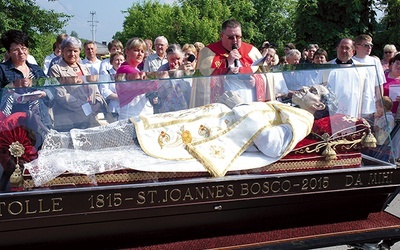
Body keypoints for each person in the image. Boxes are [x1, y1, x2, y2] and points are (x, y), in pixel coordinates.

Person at [26, 84, 338, 185]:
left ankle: (54, 141)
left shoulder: (300, 120)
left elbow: (271, 146)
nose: (305, 89)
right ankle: (55, 137)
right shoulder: (287, 105)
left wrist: (245, 111)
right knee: (132, 126)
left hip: (205, 137)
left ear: (319, 106)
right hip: (205, 120)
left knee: (132, 136)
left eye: (313, 91)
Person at [0, 29, 54, 146]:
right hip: (14, 123)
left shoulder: (36, 70)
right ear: (8, 52)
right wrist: (11, 90)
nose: (21, 52)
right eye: (16, 50)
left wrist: (44, 94)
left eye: (24, 48)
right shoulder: (2, 70)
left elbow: (51, 91)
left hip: (40, 120)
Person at [195, 19, 267, 104]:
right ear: (221, 36)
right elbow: (201, 81)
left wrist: (255, 81)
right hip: (223, 102)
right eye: (230, 37)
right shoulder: (208, 52)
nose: (235, 40)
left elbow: (265, 75)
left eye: (238, 36)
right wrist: (227, 62)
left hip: (249, 99)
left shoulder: (252, 51)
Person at [48, 36, 106, 132]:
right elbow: (61, 95)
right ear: (62, 51)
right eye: (69, 50)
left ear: (79, 51)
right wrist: (85, 107)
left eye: (75, 51)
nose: (72, 54)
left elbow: (95, 89)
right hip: (69, 120)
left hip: (89, 119)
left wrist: (98, 103)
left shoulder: (85, 68)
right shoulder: (55, 69)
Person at [116, 37, 156, 119]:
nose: (140, 54)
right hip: (131, 117)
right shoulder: (124, 68)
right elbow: (152, 85)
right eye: (136, 50)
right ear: (127, 51)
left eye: (142, 51)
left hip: (142, 115)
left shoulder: (137, 70)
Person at [157, 44, 192, 113]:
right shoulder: (162, 69)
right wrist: (177, 72)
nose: (175, 62)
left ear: (182, 58)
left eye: (178, 59)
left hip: (185, 107)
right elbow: (160, 91)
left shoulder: (186, 67)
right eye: (172, 59)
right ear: (167, 58)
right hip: (167, 109)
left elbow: (190, 88)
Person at [100, 51, 125, 123]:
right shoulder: (106, 73)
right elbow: (104, 91)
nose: (119, 62)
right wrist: (120, 97)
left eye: (121, 60)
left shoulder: (127, 74)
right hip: (113, 109)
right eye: (117, 60)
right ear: (111, 62)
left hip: (126, 108)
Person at [383, 53, 400, 118]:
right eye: (397, 63)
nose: (399, 66)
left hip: (397, 116)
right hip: (382, 113)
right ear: (392, 64)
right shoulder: (382, 76)